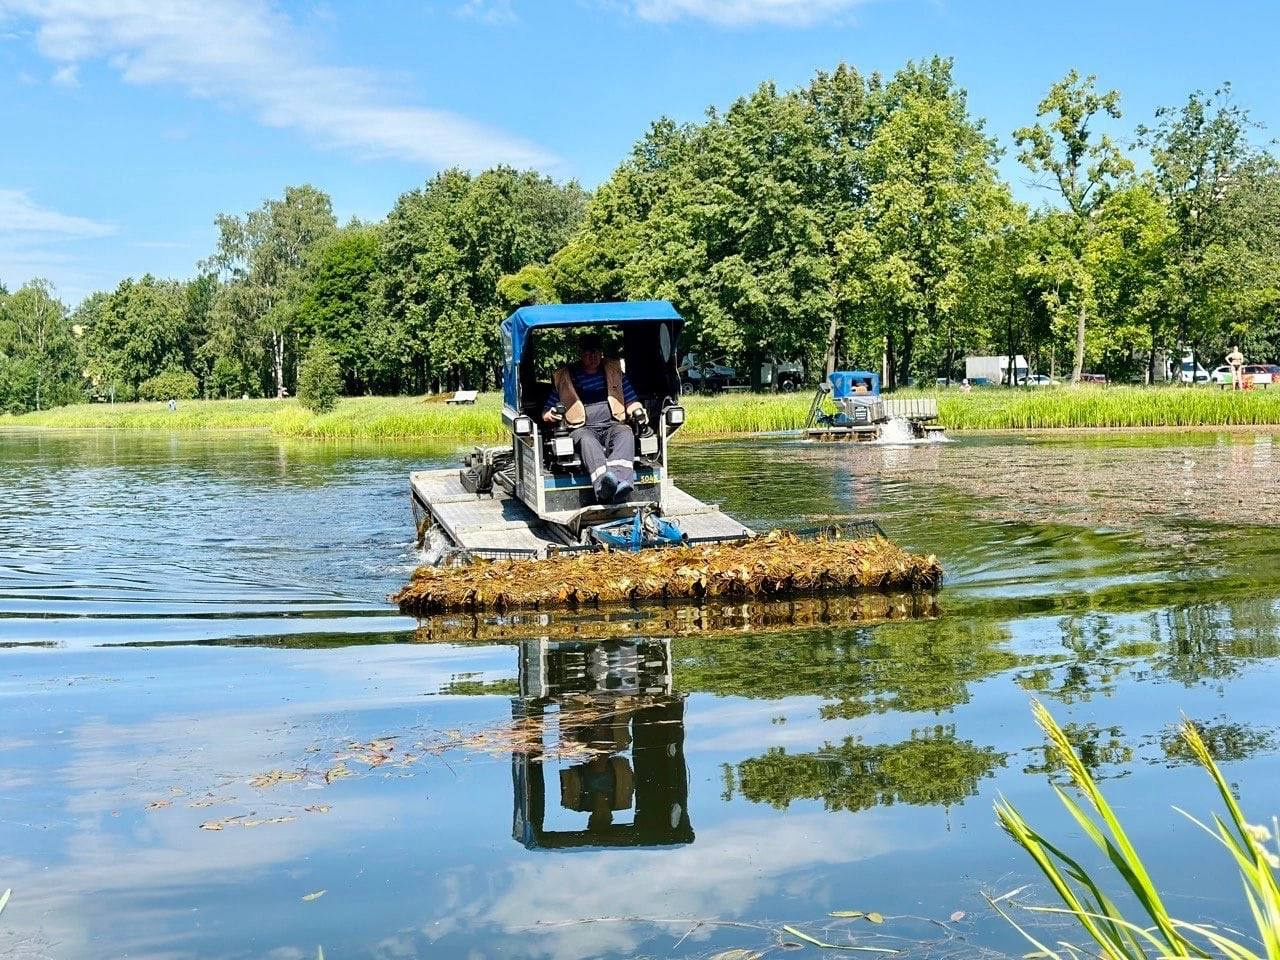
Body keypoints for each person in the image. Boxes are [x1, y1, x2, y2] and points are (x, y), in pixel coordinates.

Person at [543, 332, 647, 503]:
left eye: (597, 353)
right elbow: (545, 412)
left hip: (611, 424)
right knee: (587, 441)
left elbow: (631, 401)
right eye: (589, 353)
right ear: (581, 355)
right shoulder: (565, 378)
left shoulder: (615, 373)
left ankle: (620, 482)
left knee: (626, 432)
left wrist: (639, 412)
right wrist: (551, 414)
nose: (594, 357)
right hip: (582, 428)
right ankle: (603, 488)